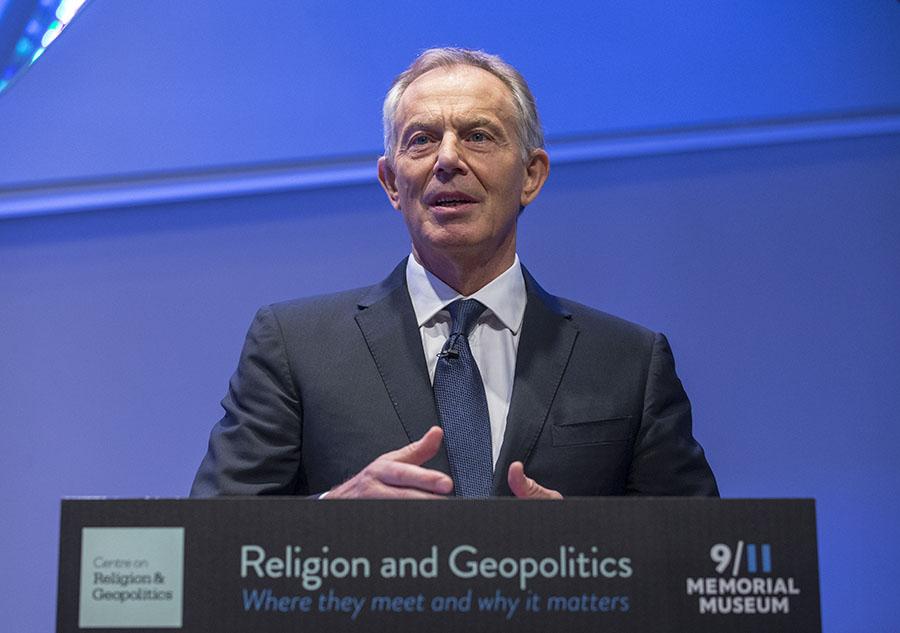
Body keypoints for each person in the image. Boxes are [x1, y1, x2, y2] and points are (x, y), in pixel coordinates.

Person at [191, 48, 718, 500]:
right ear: (392, 182)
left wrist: (585, 543)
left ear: (531, 175)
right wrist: (330, 516)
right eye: (420, 139)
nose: (447, 158)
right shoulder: (294, 347)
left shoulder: (630, 362)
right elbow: (207, 543)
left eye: (478, 136)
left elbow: (699, 556)